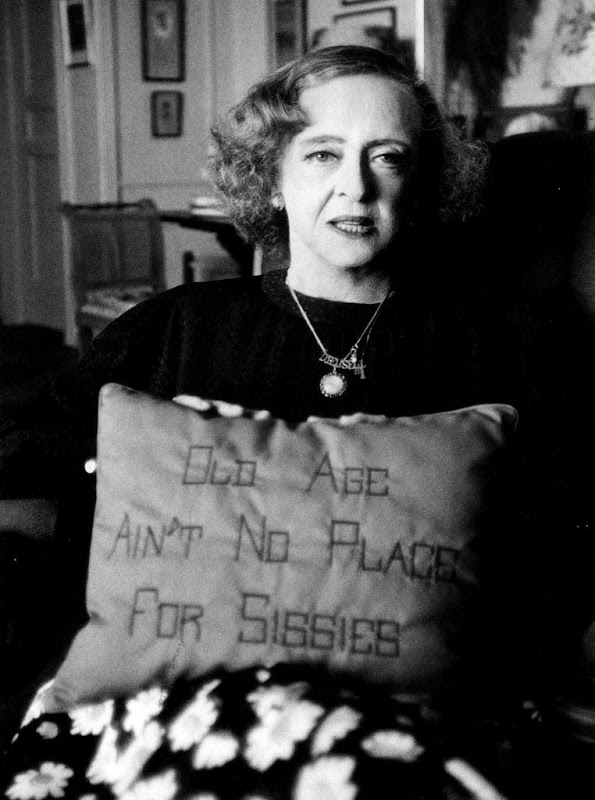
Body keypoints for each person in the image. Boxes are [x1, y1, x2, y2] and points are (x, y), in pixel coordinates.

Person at [0, 45, 592, 798]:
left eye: (387, 157)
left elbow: (567, 528)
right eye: (321, 154)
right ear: (270, 178)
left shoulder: (507, 341)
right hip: (171, 712)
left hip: (415, 726)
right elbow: (33, 465)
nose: (355, 186)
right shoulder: (174, 330)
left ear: (422, 183)